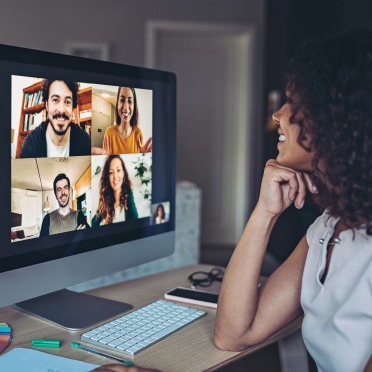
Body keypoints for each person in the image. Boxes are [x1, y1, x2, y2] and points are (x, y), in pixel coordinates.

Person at [214, 28, 372, 372]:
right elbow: (234, 334)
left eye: (294, 103)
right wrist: (264, 213)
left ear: (335, 119)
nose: (277, 114)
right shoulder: (329, 226)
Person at [20, 79, 91, 158]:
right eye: (55, 100)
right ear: (47, 105)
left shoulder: (84, 140)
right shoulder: (31, 143)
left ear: (72, 108)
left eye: (67, 102)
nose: (61, 110)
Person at [91, 87, 152, 155]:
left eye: (130, 101)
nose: (125, 107)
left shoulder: (138, 133)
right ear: (117, 105)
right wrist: (104, 158)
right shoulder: (109, 133)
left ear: (134, 106)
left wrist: (143, 157)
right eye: (122, 100)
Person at [92, 155, 138, 226]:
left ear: (123, 173)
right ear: (108, 177)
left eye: (118, 170)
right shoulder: (106, 200)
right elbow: (93, 223)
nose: (115, 176)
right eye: (111, 172)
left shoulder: (129, 197)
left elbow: (135, 224)